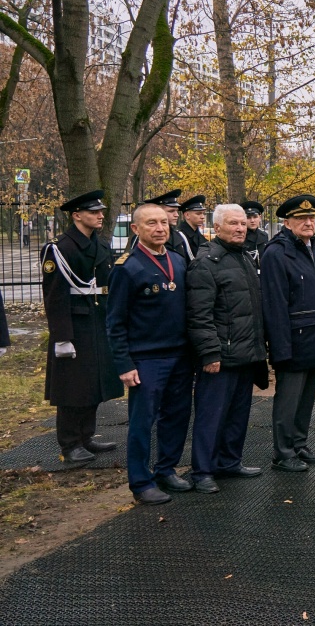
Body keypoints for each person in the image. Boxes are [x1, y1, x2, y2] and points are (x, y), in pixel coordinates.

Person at [107, 203, 192, 505]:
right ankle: (141, 482)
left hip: (180, 356)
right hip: (146, 359)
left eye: (163, 223)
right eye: (151, 223)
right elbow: (115, 321)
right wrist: (124, 364)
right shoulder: (127, 267)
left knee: (177, 417)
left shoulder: (178, 261)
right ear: (136, 229)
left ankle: (166, 469)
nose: (159, 228)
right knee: (143, 422)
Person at [186, 204, 266, 493]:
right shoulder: (206, 263)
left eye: (243, 223)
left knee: (237, 414)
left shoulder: (244, 258)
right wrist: (210, 353)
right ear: (217, 227)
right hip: (219, 356)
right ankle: (202, 471)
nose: (240, 228)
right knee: (211, 416)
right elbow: (199, 315)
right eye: (233, 223)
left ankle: (229, 462)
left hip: (245, 353)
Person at [40, 190, 122, 464]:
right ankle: (70, 443)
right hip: (75, 324)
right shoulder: (59, 248)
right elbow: (55, 297)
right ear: (77, 215)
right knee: (72, 387)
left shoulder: (101, 244)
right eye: (93, 212)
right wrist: (62, 337)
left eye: (101, 211)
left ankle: (86, 436)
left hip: (98, 321)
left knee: (94, 383)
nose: (100, 216)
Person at [261, 194, 315, 472]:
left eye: (312, 218)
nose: (308, 223)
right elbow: (275, 305)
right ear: (287, 222)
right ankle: (283, 452)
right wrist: (280, 348)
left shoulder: (311, 249)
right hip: (292, 340)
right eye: (301, 218)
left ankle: (299, 444)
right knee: (288, 401)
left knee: (306, 399)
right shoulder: (277, 253)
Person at [131, 190, 194, 261]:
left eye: (176, 211)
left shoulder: (179, 235)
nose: (176, 215)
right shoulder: (142, 237)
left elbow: (188, 262)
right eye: (171, 211)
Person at [240, 201, 269, 269]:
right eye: (248, 217)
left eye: (255, 217)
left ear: (260, 218)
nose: (252, 221)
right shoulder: (240, 236)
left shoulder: (264, 235)